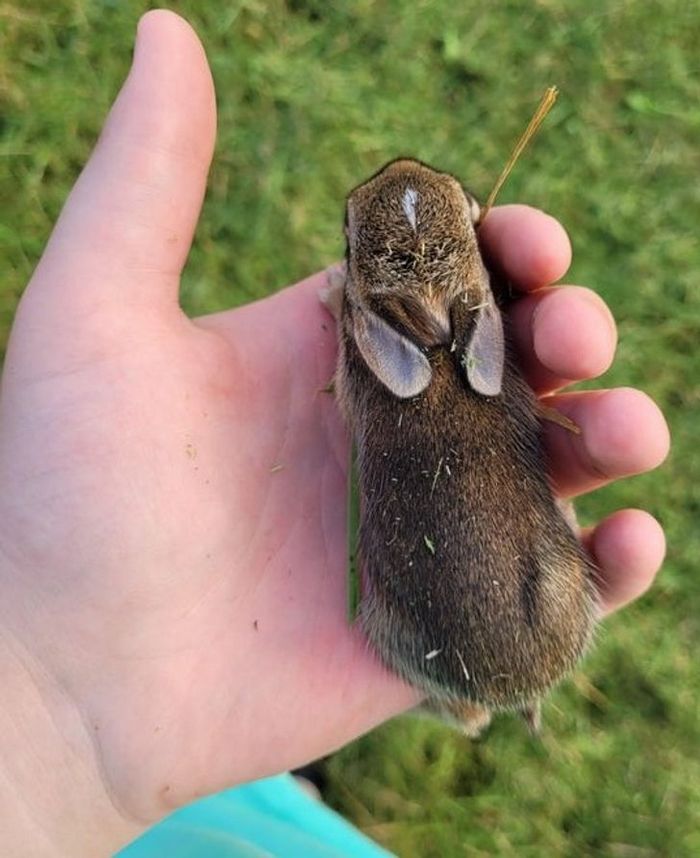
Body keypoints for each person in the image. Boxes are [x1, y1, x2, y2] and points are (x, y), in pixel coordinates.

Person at [0, 10, 669, 858]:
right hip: (544, 609)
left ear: (365, 301)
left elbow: (372, 380)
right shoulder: (475, 331)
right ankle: (435, 713)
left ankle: (449, 696)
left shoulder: (368, 354)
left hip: (455, 622)